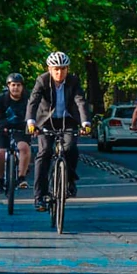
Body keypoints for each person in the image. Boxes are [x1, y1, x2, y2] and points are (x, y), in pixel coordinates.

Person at [26, 52, 92, 211]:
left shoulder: (73, 81)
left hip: (68, 120)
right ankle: (39, 197)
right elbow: (33, 101)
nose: (59, 72)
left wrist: (85, 123)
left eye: (63, 69)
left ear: (67, 69)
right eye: (56, 69)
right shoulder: (42, 80)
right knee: (44, 153)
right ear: (49, 69)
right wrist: (31, 122)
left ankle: (69, 180)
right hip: (46, 121)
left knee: (70, 148)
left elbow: (80, 101)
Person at [0, 73, 31, 193]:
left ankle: (21, 177)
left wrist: (37, 126)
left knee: (24, 147)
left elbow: (37, 112)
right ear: (8, 86)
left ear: (22, 87)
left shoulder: (28, 99)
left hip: (21, 129)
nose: (15, 88)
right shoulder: (1, 99)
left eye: (18, 85)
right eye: (13, 85)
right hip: (1, 130)